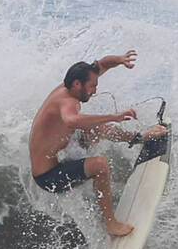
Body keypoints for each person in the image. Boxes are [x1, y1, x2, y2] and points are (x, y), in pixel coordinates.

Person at [29, 49, 167, 237]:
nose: (95, 90)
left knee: (97, 129)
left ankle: (139, 138)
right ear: (78, 84)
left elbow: (101, 64)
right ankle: (111, 224)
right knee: (100, 165)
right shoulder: (67, 102)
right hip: (48, 176)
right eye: (92, 86)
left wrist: (119, 60)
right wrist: (115, 117)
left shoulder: (74, 83)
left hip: (62, 152)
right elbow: (71, 120)